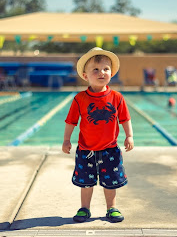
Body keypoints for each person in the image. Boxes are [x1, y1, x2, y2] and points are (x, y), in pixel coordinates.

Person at [62, 47, 134, 223]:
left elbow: (125, 118)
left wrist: (129, 136)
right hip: (86, 150)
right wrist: (66, 140)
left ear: (111, 73)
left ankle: (112, 208)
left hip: (110, 149)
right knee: (86, 183)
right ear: (85, 75)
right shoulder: (80, 99)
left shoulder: (117, 97)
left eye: (106, 69)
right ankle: (84, 209)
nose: (101, 72)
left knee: (111, 183)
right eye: (96, 69)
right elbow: (71, 121)